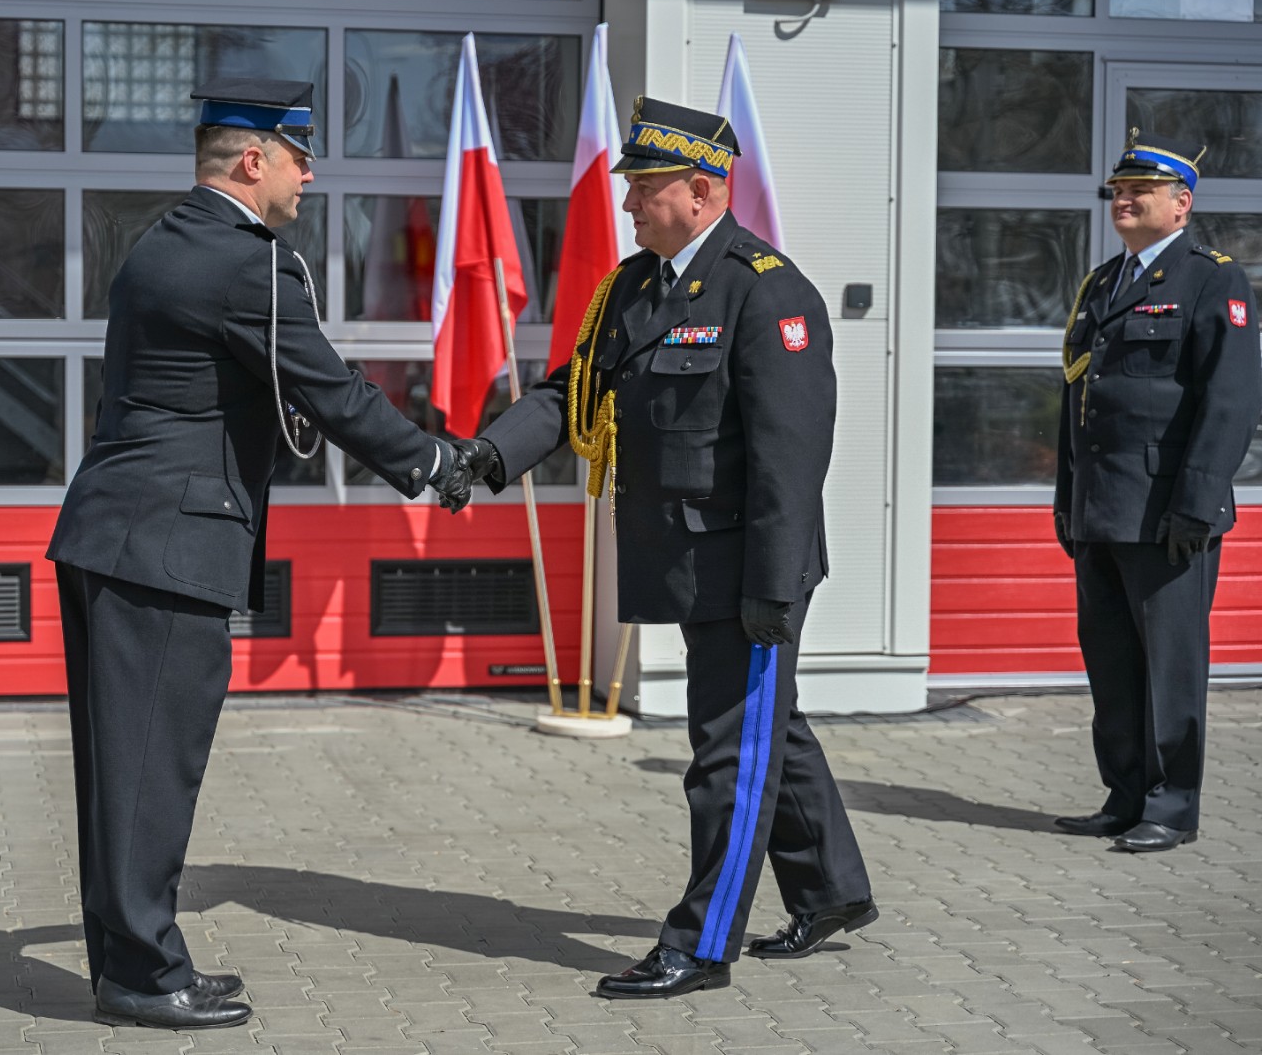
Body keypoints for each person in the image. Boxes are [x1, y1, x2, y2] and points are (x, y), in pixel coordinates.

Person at [46, 78, 473, 1030]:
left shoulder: (165, 239)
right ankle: (145, 975)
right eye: (299, 158)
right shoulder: (245, 263)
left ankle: (132, 960)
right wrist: (438, 464)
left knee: (122, 773)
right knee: (151, 772)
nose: (309, 176)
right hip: (164, 546)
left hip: (119, 532)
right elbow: (334, 394)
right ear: (254, 160)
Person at [451, 97, 874, 999]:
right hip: (683, 558)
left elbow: (792, 460)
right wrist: (486, 456)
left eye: (645, 188)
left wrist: (772, 589)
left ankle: (700, 946)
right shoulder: (635, 286)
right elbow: (571, 391)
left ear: (703, 189)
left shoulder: (766, 291)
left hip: (747, 570)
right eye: (631, 187)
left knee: (729, 758)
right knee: (766, 730)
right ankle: (832, 889)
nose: (629, 203)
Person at [1052, 131, 1261, 853]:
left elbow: (1230, 401)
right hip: (1102, 508)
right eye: (1118, 190)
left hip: (1169, 512)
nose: (1124, 200)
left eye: (1140, 190)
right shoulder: (1103, 283)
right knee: (1111, 664)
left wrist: (1198, 502)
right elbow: (1078, 399)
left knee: (1170, 669)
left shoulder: (1212, 281)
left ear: (1182, 205)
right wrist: (1067, 497)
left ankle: (1172, 807)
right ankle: (1125, 795)